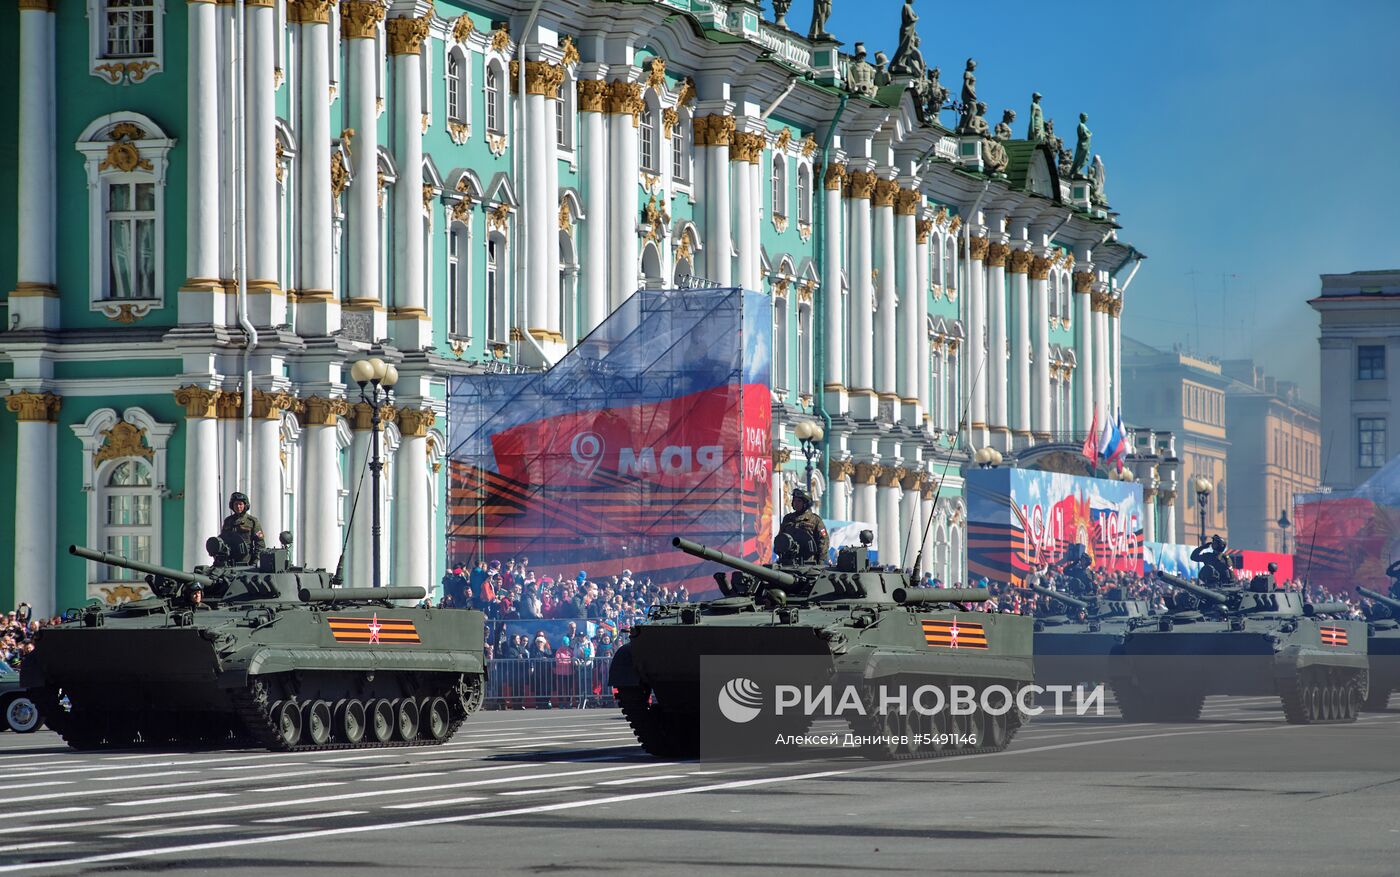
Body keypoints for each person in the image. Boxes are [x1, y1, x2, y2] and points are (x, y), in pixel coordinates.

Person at [775, 487, 829, 563]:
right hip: (788, 561)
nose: (796, 503)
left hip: (808, 562)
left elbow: (824, 540)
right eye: (794, 501)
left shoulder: (815, 520)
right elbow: (781, 537)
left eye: (799, 501)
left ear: (806, 503)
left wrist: (820, 560)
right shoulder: (787, 519)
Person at [219, 492, 264, 564]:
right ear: (232, 505)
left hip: (246, 560)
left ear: (245, 505)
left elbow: (260, 543)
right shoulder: (228, 521)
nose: (238, 506)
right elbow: (222, 539)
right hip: (229, 559)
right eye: (236, 504)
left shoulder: (252, 521)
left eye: (240, 504)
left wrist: (256, 560)